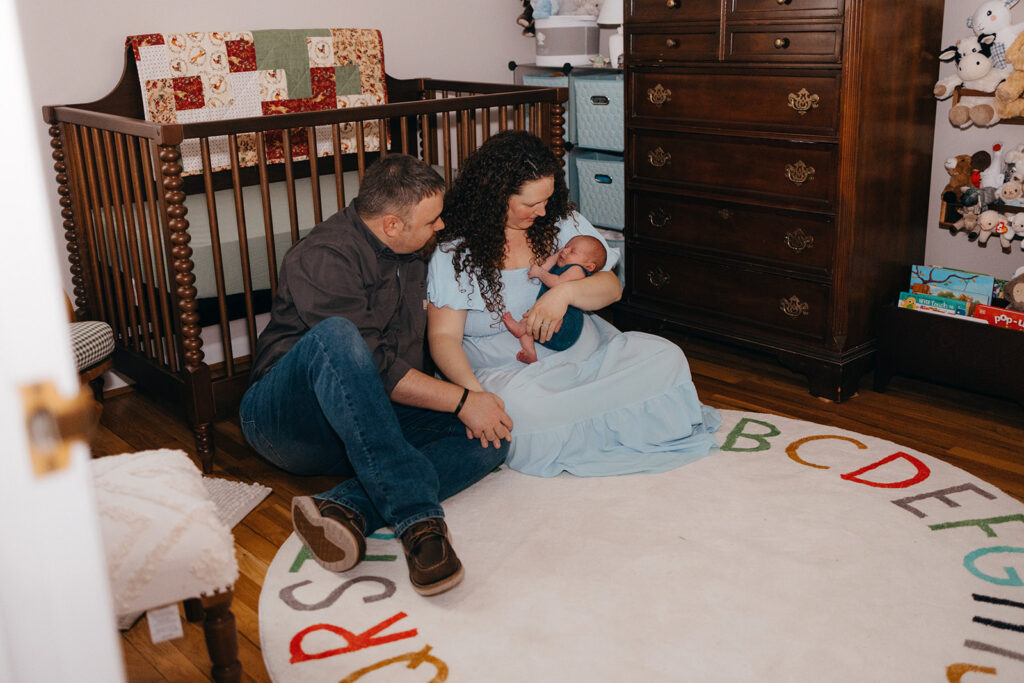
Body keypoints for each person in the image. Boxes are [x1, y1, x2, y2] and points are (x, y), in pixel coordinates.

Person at [239, 155, 513, 597]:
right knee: (340, 337)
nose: (440, 227)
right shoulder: (323, 257)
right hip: (287, 422)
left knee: (490, 438)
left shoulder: (415, 250)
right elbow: (379, 369)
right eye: (432, 221)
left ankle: (345, 509)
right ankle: (420, 525)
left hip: (367, 420)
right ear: (391, 225)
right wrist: (464, 400)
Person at [427, 130, 721, 478]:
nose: (542, 210)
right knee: (524, 410)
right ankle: (604, 418)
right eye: (530, 203)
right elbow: (443, 338)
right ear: (495, 196)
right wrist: (475, 399)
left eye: (547, 199)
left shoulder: (561, 224)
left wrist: (563, 293)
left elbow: (612, 287)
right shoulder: (454, 252)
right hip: (514, 374)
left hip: (588, 355)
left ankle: (587, 416)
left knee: (666, 357)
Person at [501, 234, 607, 363]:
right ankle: (530, 353)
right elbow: (544, 267)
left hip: (566, 324)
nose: (565, 250)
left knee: (533, 318)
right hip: (548, 327)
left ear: (589, 267)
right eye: (566, 246)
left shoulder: (577, 270)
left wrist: (539, 273)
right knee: (532, 319)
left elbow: (556, 282)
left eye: (572, 251)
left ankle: (521, 329)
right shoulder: (562, 264)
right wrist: (558, 254)